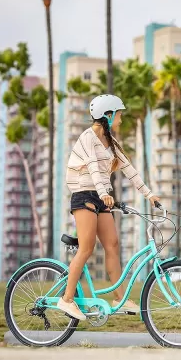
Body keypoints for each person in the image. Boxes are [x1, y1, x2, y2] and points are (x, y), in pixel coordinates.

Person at [56, 94, 160, 320]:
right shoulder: (88, 137)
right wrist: (104, 193)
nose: (121, 119)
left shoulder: (110, 141)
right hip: (84, 194)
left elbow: (129, 169)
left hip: (100, 196)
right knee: (87, 248)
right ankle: (66, 299)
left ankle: (119, 298)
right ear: (108, 115)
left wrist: (149, 195)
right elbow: (93, 167)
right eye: (119, 115)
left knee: (112, 244)